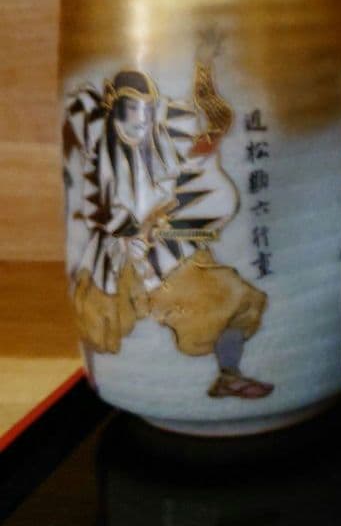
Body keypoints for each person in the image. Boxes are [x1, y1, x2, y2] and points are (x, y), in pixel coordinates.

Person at [63, 50, 273, 398]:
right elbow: (96, 208)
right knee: (100, 319)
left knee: (227, 298)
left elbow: (196, 157)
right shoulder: (101, 152)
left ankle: (229, 374)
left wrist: (207, 88)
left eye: (144, 111)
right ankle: (107, 382)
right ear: (115, 108)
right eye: (130, 110)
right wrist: (131, 228)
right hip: (117, 256)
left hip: (165, 248)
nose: (138, 120)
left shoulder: (161, 140)